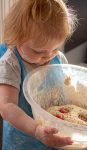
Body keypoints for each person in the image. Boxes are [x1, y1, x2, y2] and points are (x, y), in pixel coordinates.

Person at [0, 0, 77, 149]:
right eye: (38, 51)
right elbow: (6, 106)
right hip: (23, 141)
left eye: (55, 48)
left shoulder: (58, 58)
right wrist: (36, 129)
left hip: (55, 133)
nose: (48, 56)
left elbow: (69, 89)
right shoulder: (10, 64)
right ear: (16, 38)